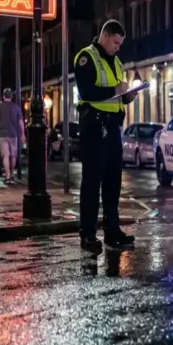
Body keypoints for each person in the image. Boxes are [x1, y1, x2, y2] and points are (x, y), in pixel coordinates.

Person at [74, 20, 136, 254]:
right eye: (115, 42)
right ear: (105, 36)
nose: (118, 47)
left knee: (113, 182)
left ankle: (112, 231)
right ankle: (88, 234)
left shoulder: (117, 61)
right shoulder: (86, 57)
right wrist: (115, 91)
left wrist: (127, 96)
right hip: (94, 125)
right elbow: (87, 90)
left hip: (113, 127)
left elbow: (118, 92)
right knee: (91, 182)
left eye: (120, 44)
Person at [0, 88, 25, 185]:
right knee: (13, 155)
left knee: (5, 156)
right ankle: (12, 174)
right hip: (14, 134)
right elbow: (20, 122)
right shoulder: (16, 107)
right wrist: (23, 133)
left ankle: (7, 176)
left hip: (3, 134)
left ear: (3, 96)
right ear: (11, 96)